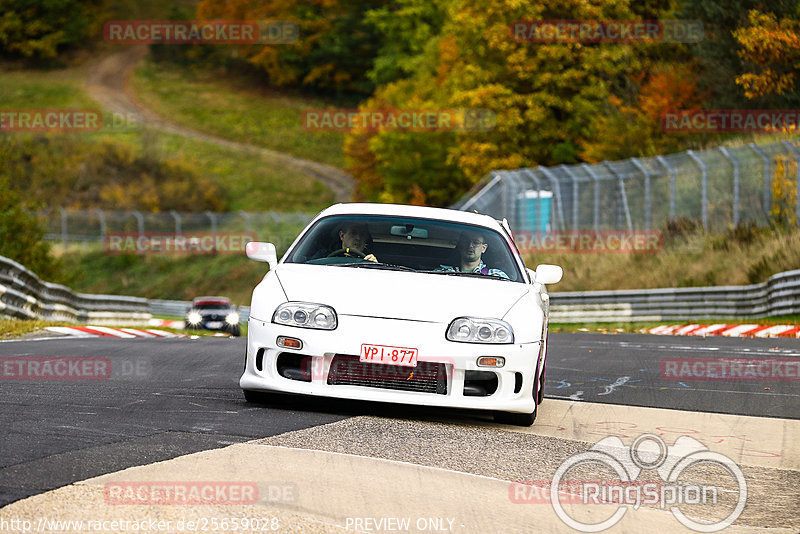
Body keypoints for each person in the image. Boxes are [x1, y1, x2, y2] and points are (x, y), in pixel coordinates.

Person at [436, 230, 508, 278]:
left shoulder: (496, 276)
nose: (470, 245)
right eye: (465, 241)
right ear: (460, 245)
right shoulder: (442, 273)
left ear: (483, 248)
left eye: (476, 242)